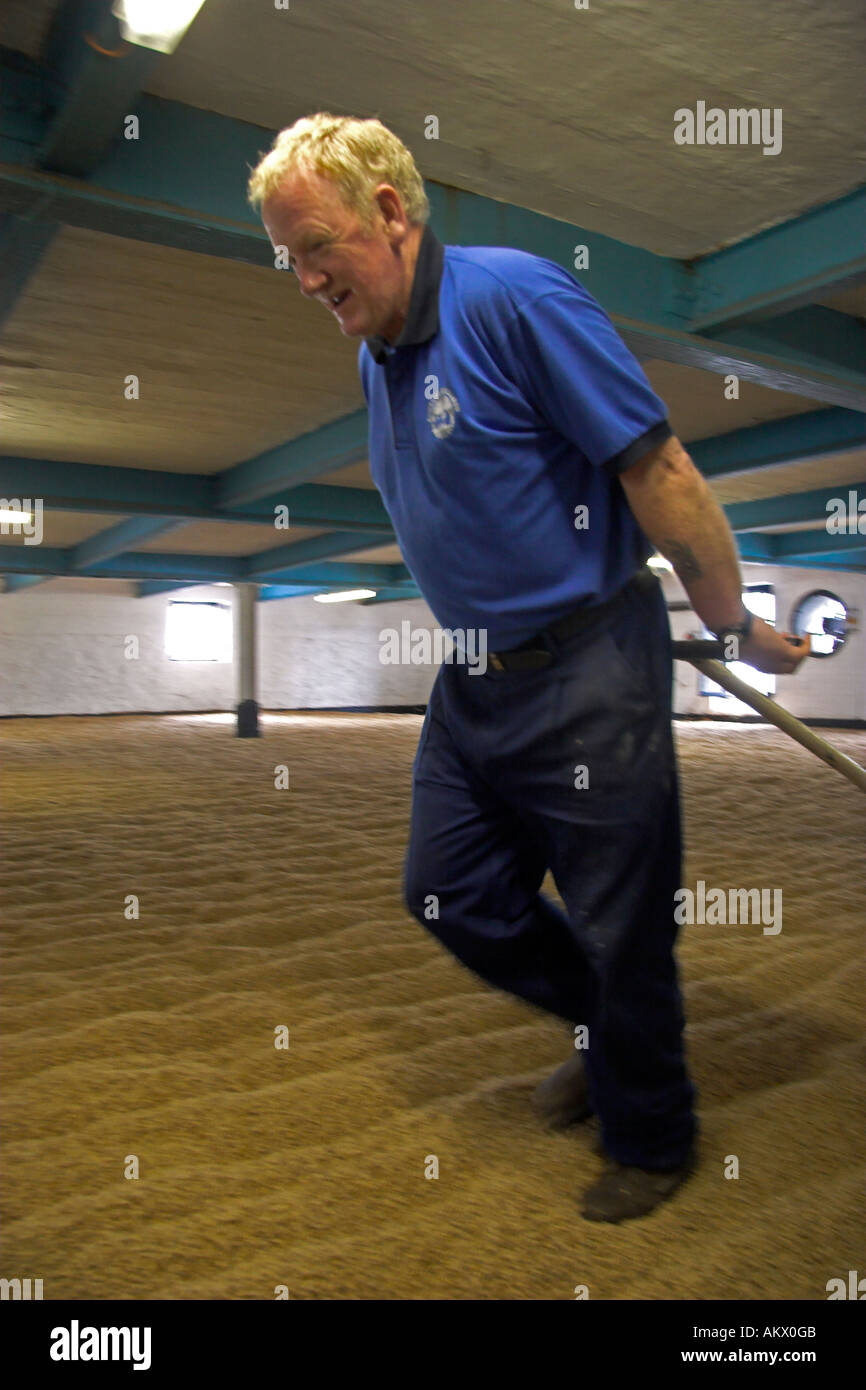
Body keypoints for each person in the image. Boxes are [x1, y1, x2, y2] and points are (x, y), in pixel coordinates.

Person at [248, 114, 809, 1223]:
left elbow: (660, 469)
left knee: (618, 919)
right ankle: (605, 1033)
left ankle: (652, 1133)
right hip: (472, 680)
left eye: (314, 245)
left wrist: (734, 625)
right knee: (447, 890)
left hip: (589, 664)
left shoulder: (517, 300)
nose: (304, 276)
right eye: (287, 258)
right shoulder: (378, 357)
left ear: (391, 214)